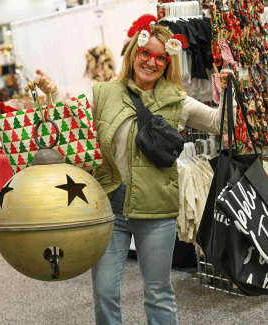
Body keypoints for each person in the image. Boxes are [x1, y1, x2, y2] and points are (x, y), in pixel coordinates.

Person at [34, 23, 235, 325]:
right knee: (104, 293)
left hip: (155, 210)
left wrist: (225, 88)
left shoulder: (177, 100)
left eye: (160, 58)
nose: (151, 62)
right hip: (108, 208)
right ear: (134, 53)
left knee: (157, 293)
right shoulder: (103, 95)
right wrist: (49, 94)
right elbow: (65, 126)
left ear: (168, 62)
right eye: (145, 53)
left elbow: (221, 125)